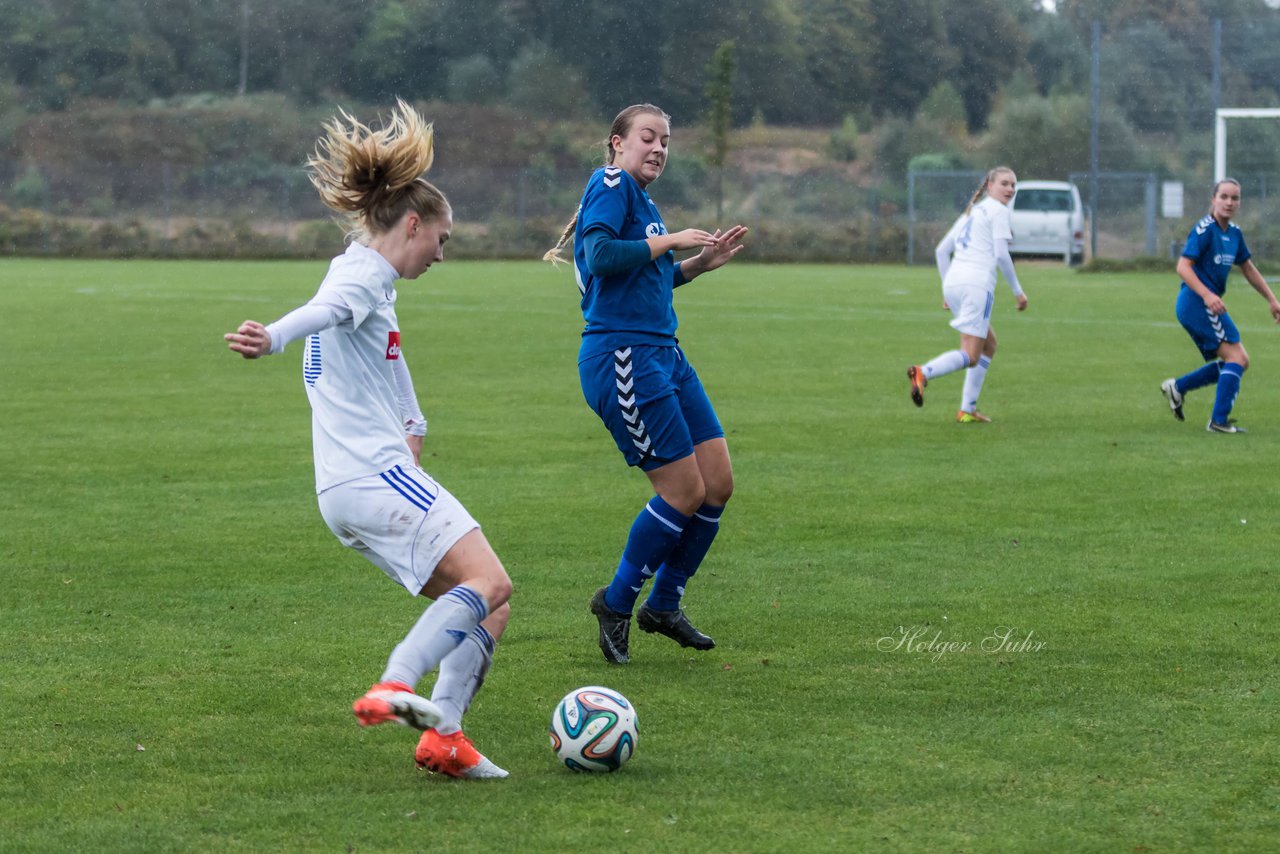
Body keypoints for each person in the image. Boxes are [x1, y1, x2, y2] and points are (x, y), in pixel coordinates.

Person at [223, 100, 511, 779]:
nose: (442, 254)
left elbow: (378, 353)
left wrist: (413, 423)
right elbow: (323, 313)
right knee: (490, 579)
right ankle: (398, 680)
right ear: (412, 224)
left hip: (347, 488)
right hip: (372, 478)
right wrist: (273, 337)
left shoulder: (365, 277)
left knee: (486, 605)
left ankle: (442, 735)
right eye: (440, 239)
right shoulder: (360, 277)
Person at [544, 104, 748, 664]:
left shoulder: (643, 201)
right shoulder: (610, 182)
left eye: (665, 141)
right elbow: (603, 255)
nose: (658, 148)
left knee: (718, 484)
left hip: (664, 353)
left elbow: (645, 278)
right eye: (647, 138)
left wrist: (699, 264)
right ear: (617, 144)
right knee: (682, 492)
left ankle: (664, 605)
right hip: (623, 357)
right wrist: (674, 238)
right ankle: (615, 603)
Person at [908, 166, 1028, 422]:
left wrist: (946, 291)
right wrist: (1018, 292)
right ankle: (923, 372)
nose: (1010, 189)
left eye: (1013, 185)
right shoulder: (998, 211)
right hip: (976, 285)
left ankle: (967, 409)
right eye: (1005, 184)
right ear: (990, 186)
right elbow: (1000, 255)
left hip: (954, 281)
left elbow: (941, 251)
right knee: (971, 356)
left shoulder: (972, 212)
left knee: (989, 345)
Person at [1160, 177, 1280, 433]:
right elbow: (1183, 266)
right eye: (1223, 197)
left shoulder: (1234, 233)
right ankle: (1218, 422)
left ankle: (1178, 387)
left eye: (1234, 198)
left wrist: (1272, 299)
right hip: (1196, 303)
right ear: (1213, 200)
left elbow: (1247, 267)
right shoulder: (1204, 230)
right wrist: (1207, 295)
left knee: (1239, 360)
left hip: (1207, 305)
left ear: (1239, 203)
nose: (1229, 202)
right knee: (1236, 357)